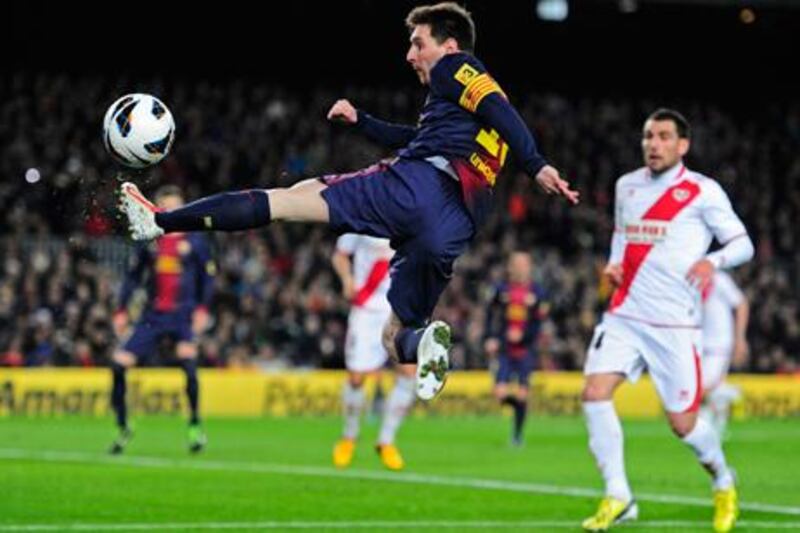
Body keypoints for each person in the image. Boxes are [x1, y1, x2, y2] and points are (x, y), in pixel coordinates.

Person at [117, 2, 578, 402]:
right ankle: (425, 346)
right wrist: (362, 121)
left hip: (419, 187)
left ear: (450, 46)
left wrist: (536, 163)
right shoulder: (460, 114)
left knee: (290, 200)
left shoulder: (459, 68)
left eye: (419, 43)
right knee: (394, 337)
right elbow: (420, 135)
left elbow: (500, 107)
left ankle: (162, 220)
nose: (410, 54)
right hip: (454, 225)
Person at [580, 109, 753, 532]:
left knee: (683, 425)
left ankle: (723, 480)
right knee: (594, 393)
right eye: (647, 137)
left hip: (674, 325)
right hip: (624, 314)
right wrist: (613, 264)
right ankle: (618, 495)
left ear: (682, 145)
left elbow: (743, 243)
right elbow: (622, 236)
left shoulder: (703, 192)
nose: (653, 144)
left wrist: (714, 261)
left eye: (662, 137)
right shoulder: (627, 186)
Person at [110, 185, 216, 455]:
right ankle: (123, 427)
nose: (172, 212)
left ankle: (194, 425)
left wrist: (203, 309)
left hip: (183, 315)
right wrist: (121, 309)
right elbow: (133, 278)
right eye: (166, 207)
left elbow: (208, 279)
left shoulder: (196, 242)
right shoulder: (151, 241)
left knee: (188, 363)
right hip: (153, 316)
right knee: (119, 364)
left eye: (176, 208)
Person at [331, 233, 416, 471]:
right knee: (356, 379)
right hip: (366, 310)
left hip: (398, 309)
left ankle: (386, 441)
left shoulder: (409, 216)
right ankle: (349, 436)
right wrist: (347, 279)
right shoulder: (362, 215)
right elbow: (340, 255)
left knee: (409, 373)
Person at [483, 251, 549, 446]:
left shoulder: (537, 292)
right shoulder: (500, 290)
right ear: (510, 267)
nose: (520, 268)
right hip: (504, 348)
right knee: (500, 394)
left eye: (524, 264)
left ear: (529, 267)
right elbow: (489, 316)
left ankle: (517, 436)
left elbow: (539, 321)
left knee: (522, 393)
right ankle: (520, 408)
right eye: (516, 264)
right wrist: (490, 338)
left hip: (526, 350)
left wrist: (525, 336)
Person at [700, 270, 749, 439]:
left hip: (719, 345)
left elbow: (741, 304)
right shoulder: (687, 277)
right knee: (702, 389)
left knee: (702, 389)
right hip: (699, 343)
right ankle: (716, 427)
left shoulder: (719, 279)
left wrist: (740, 339)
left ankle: (731, 392)